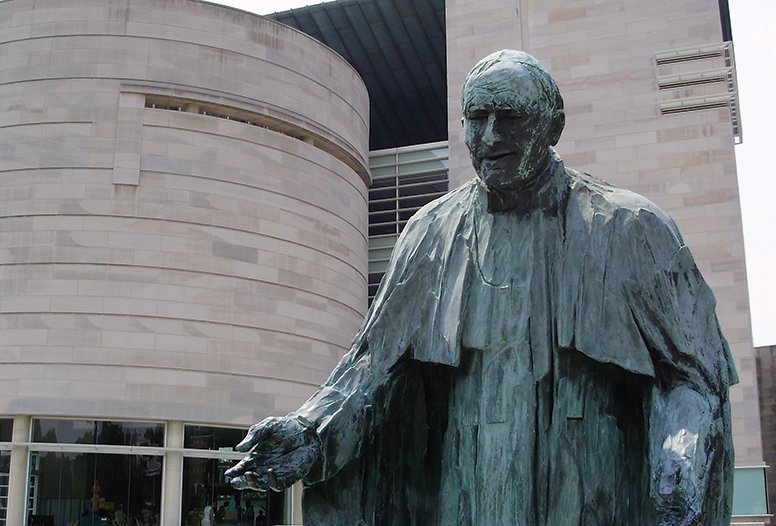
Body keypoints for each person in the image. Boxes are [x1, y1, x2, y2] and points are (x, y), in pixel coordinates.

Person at [226, 50, 736, 525]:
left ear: (552, 125)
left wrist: (682, 449)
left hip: (589, 496)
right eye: (477, 118)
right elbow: (370, 368)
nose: (490, 136)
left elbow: (694, 375)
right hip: (466, 496)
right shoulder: (431, 234)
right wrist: (309, 432)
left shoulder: (630, 229)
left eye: (510, 117)